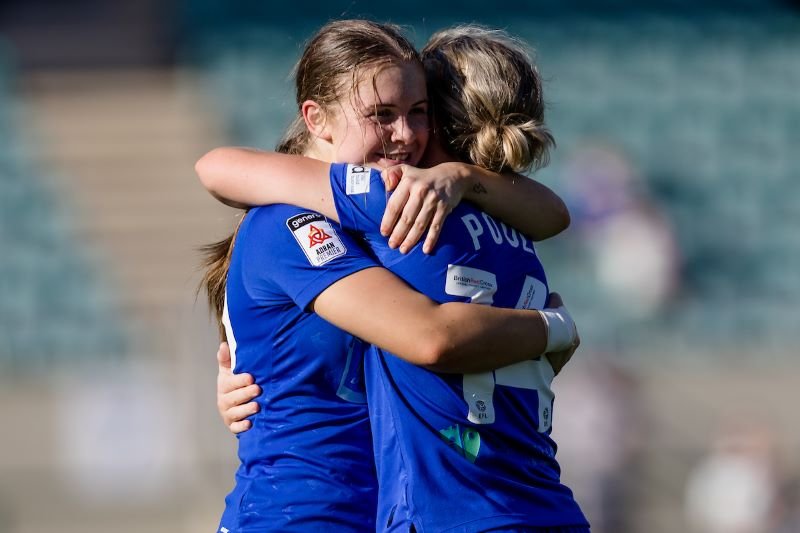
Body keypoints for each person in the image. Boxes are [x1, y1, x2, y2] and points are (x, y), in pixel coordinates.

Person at [200, 25, 588, 532]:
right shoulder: (302, 218)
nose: (404, 134)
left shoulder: (406, 215)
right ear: (316, 120)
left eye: (418, 112)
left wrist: (463, 178)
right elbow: (430, 336)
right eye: (381, 115)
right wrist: (551, 328)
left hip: (383, 511)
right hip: (295, 515)